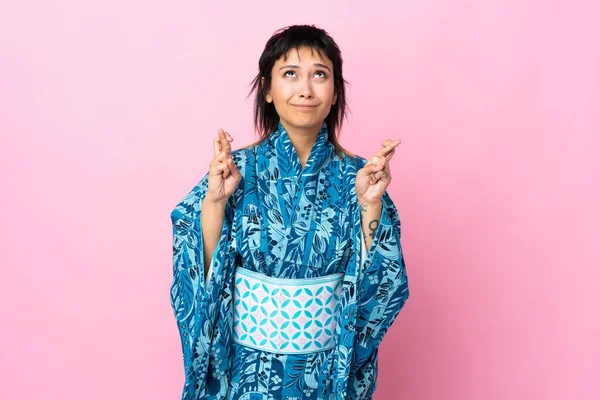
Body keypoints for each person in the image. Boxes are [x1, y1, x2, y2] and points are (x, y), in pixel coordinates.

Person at [170, 24, 410, 400]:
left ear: (334, 94)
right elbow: (196, 270)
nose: (305, 89)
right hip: (247, 372)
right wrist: (215, 202)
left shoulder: (360, 177)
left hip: (326, 371)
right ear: (267, 89)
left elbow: (384, 287)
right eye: (289, 74)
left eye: (319, 74)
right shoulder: (234, 171)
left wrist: (370, 205)